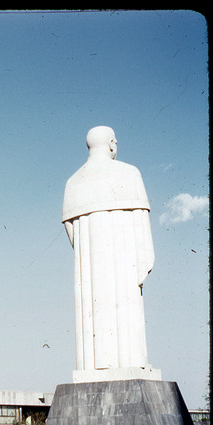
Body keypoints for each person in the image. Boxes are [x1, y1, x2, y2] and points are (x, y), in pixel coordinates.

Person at [62, 126, 160, 382]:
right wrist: (143, 260)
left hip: (90, 273)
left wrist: (88, 253)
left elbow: (71, 230)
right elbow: (141, 218)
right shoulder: (129, 173)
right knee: (128, 328)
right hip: (123, 265)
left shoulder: (73, 182)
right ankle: (132, 362)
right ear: (112, 144)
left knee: (93, 324)